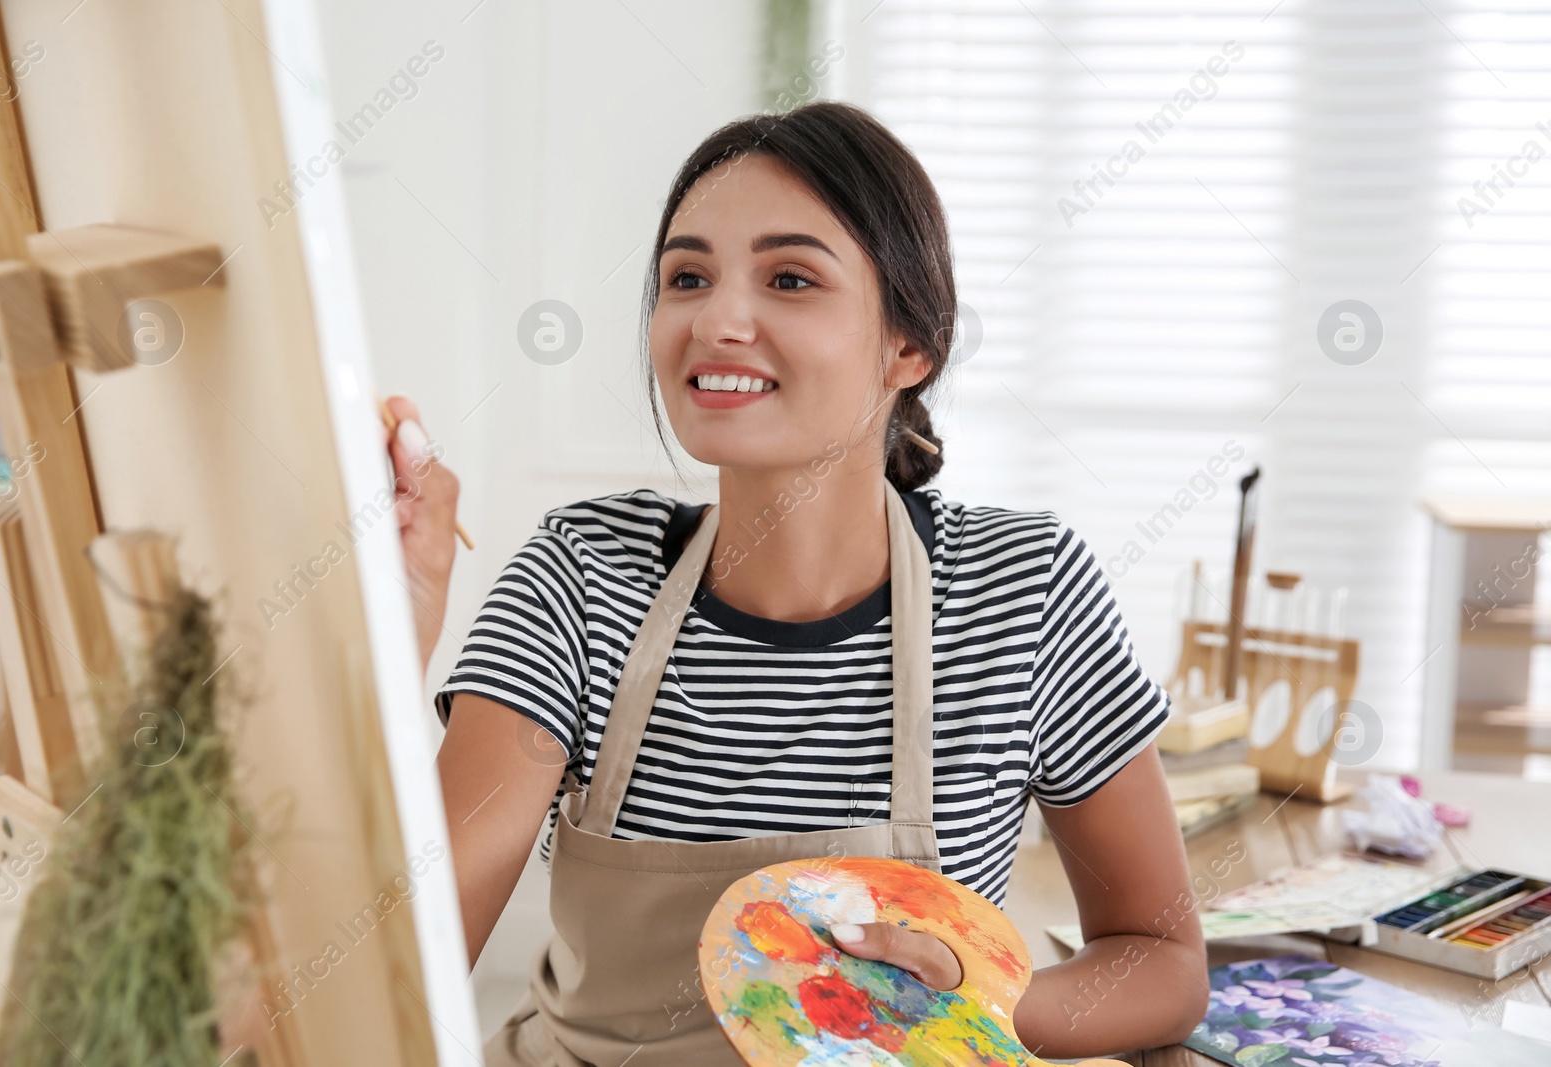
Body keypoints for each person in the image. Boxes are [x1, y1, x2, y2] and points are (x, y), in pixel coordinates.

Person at [384, 101, 1207, 1064]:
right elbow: (403, 964)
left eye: (789, 277)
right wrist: (381, 651)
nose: (718, 319)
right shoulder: (582, 575)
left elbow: (1160, 961)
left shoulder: (1020, 593)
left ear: (910, 345)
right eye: (687, 277)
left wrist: (977, 1000)